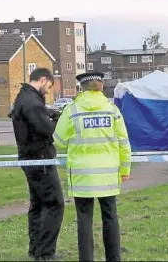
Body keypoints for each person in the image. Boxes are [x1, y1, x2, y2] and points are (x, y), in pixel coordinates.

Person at [53, 72, 132, 262]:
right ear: (101, 86)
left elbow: (59, 141)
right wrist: (125, 169)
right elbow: (124, 142)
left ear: (81, 88)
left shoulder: (72, 110)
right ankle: (114, 258)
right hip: (108, 173)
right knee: (110, 216)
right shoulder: (112, 110)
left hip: (82, 175)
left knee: (84, 219)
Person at [10, 68, 64, 261]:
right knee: (54, 203)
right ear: (42, 80)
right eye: (48, 86)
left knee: (39, 205)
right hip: (40, 159)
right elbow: (48, 131)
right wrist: (57, 120)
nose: (48, 91)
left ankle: (36, 250)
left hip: (31, 159)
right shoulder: (32, 103)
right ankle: (45, 253)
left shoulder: (24, 98)